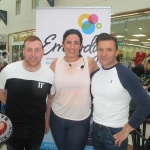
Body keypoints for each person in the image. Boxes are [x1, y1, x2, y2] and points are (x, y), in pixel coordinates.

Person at [91, 33, 150, 150]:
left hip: (115, 132)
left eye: (109, 50)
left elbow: (145, 104)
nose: (104, 54)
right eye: (100, 49)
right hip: (96, 129)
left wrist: (126, 130)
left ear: (116, 52)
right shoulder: (95, 74)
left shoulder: (126, 75)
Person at [0, 36, 54, 150]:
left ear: (42, 52)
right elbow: (1, 92)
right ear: (23, 51)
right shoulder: (9, 70)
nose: (33, 54)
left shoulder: (50, 75)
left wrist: (47, 120)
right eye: (29, 50)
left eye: (37, 50)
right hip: (12, 126)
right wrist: (14, 106)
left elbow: (50, 98)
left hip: (36, 128)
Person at [48, 29, 98, 150]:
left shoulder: (89, 62)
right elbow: (51, 95)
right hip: (57, 117)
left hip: (80, 119)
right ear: (62, 44)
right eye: (68, 42)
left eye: (76, 43)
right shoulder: (56, 63)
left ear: (81, 45)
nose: (72, 46)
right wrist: (46, 118)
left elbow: (101, 82)